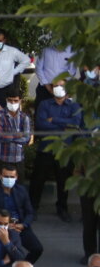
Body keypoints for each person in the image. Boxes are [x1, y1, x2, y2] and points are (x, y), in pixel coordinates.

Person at [31, 79, 83, 221]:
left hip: (64, 151)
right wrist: (63, 126)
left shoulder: (73, 105)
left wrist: (53, 119)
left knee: (63, 181)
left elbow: (75, 125)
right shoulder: (44, 104)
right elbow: (41, 124)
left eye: (61, 86)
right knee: (38, 180)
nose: (58, 88)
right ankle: (33, 208)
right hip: (46, 148)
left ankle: (62, 208)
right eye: (55, 86)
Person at [0, 164, 43, 263]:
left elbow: (30, 212)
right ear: (0, 176)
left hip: (19, 227)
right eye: (6, 176)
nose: (9, 179)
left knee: (37, 249)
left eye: (12, 177)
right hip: (0, 227)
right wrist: (4, 225)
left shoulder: (22, 191)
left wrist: (23, 225)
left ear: (16, 177)